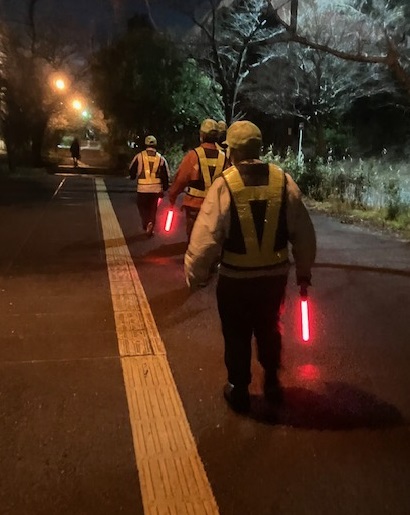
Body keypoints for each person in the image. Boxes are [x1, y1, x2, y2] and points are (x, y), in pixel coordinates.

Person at [184, 121, 316, 413]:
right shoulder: (284, 181)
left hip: (235, 280)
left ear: (232, 151)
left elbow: (206, 238)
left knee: (236, 333)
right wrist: (304, 271)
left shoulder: (225, 184)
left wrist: (196, 275)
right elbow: (303, 232)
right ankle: (271, 380)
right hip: (273, 278)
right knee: (269, 327)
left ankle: (239, 387)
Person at [168, 119, 228, 242]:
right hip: (216, 208)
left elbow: (180, 180)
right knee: (213, 240)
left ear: (201, 135)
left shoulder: (193, 155)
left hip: (194, 207)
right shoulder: (225, 157)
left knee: (194, 240)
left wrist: (172, 196)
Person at [129, 134, 170, 237]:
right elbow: (165, 175)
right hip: (156, 189)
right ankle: (151, 223)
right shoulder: (161, 158)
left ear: (145, 144)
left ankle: (146, 222)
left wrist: (133, 176)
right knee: (153, 208)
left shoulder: (139, 156)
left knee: (142, 207)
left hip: (142, 188)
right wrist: (165, 187)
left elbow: (132, 169)